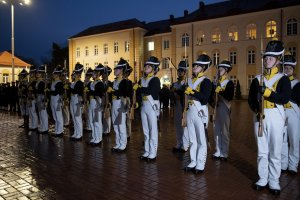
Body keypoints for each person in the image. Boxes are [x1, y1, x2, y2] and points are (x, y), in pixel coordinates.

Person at [248, 40, 291, 195]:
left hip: (275, 117)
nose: (267, 60)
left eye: (271, 58)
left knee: (274, 151)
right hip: (259, 116)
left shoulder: (283, 78)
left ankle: (274, 180)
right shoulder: (257, 79)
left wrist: (267, 93)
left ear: (278, 60)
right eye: (266, 58)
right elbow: (251, 99)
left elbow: (284, 98)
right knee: (262, 151)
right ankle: (263, 177)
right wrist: (256, 110)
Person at [183, 54, 212, 174]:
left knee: (201, 139)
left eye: (198, 65)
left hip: (200, 111)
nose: (195, 67)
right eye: (194, 65)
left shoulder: (206, 81)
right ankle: (193, 160)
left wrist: (192, 92)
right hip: (190, 111)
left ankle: (200, 163)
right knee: (192, 139)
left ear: (204, 68)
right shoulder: (189, 80)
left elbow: (205, 98)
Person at [134, 56, 161, 161]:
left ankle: (153, 152)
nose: (146, 67)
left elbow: (151, 90)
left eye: (149, 66)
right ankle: (147, 150)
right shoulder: (142, 80)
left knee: (152, 130)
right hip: (144, 106)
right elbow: (139, 94)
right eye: (146, 66)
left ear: (154, 69)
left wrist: (139, 88)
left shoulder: (155, 80)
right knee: (145, 130)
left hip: (152, 106)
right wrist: (137, 102)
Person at [211, 60, 234, 161]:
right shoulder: (215, 82)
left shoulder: (229, 83)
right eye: (219, 68)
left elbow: (229, 96)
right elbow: (211, 95)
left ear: (226, 70)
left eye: (222, 69)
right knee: (216, 130)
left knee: (224, 131)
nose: (219, 70)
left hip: (225, 107)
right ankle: (218, 150)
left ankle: (224, 152)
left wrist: (220, 90)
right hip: (216, 107)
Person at [281, 53, 300, 175]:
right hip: (281, 113)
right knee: (282, 139)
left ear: (293, 69)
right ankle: (283, 163)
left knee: (294, 139)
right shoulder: (280, 82)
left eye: (289, 68)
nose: (287, 70)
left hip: (293, 113)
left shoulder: (297, 84)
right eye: (285, 68)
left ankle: (293, 165)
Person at [109, 58, 128, 152]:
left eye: (117, 69)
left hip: (120, 103)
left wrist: (114, 91)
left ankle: (123, 144)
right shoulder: (114, 82)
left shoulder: (125, 81)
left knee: (121, 125)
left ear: (121, 71)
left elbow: (124, 93)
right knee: (115, 124)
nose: (115, 71)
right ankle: (118, 143)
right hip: (114, 104)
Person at [171, 60, 189, 152]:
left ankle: (185, 145)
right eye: (178, 71)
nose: (179, 73)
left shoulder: (187, 83)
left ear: (185, 72)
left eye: (181, 71)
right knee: (177, 125)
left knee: (184, 125)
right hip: (177, 106)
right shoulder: (175, 83)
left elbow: (184, 93)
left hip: (184, 106)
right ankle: (179, 143)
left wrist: (177, 91)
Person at [88, 64, 105, 146]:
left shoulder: (100, 83)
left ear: (98, 74)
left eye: (94, 73)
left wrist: (101, 105)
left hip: (97, 102)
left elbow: (100, 94)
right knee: (92, 121)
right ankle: (94, 137)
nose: (92, 74)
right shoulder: (91, 83)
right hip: (91, 102)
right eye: (93, 73)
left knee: (97, 121)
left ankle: (98, 139)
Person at [70, 63, 84, 140]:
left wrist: (69, 88)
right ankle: (76, 132)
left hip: (77, 99)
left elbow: (76, 91)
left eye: (76, 73)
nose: (74, 75)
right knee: (74, 118)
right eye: (74, 73)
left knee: (77, 118)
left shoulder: (79, 83)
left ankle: (79, 134)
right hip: (72, 100)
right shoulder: (73, 83)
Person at [50, 65, 64, 137]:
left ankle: (60, 131)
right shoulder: (53, 82)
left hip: (57, 99)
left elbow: (57, 93)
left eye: (55, 74)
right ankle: (57, 130)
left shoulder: (59, 83)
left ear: (58, 74)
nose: (53, 75)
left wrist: (50, 92)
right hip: (53, 99)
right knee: (55, 116)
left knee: (58, 116)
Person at [35, 65, 48, 134]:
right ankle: (42, 126)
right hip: (38, 97)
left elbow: (42, 91)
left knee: (43, 113)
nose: (37, 74)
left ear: (42, 74)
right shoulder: (38, 81)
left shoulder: (42, 82)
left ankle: (45, 128)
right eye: (37, 72)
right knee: (40, 113)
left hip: (41, 97)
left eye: (39, 73)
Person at [102, 66, 113, 136]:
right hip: (102, 100)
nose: (103, 75)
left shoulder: (110, 83)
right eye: (103, 74)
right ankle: (103, 129)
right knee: (102, 116)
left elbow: (111, 93)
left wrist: (109, 102)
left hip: (108, 100)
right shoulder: (100, 83)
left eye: (105, 74)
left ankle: (107, 130)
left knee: (107, 116)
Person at [27, 66, 38, 131]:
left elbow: (35, 90)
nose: (30, 74)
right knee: (30, 112)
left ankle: (35, 125)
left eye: (31, 73)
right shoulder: (30, 81)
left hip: (33, 98)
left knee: (33, 112)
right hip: (29, 97)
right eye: (30, 73)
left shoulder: (35, 81)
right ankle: (31, 124)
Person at [124, 65, 133, 141]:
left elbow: (131, 94)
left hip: (127, 99)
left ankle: (128, 134)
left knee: (127, 118)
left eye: (126, 73)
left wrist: (130, 104)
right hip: (121, 100)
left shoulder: (129, 82)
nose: (125, 74)